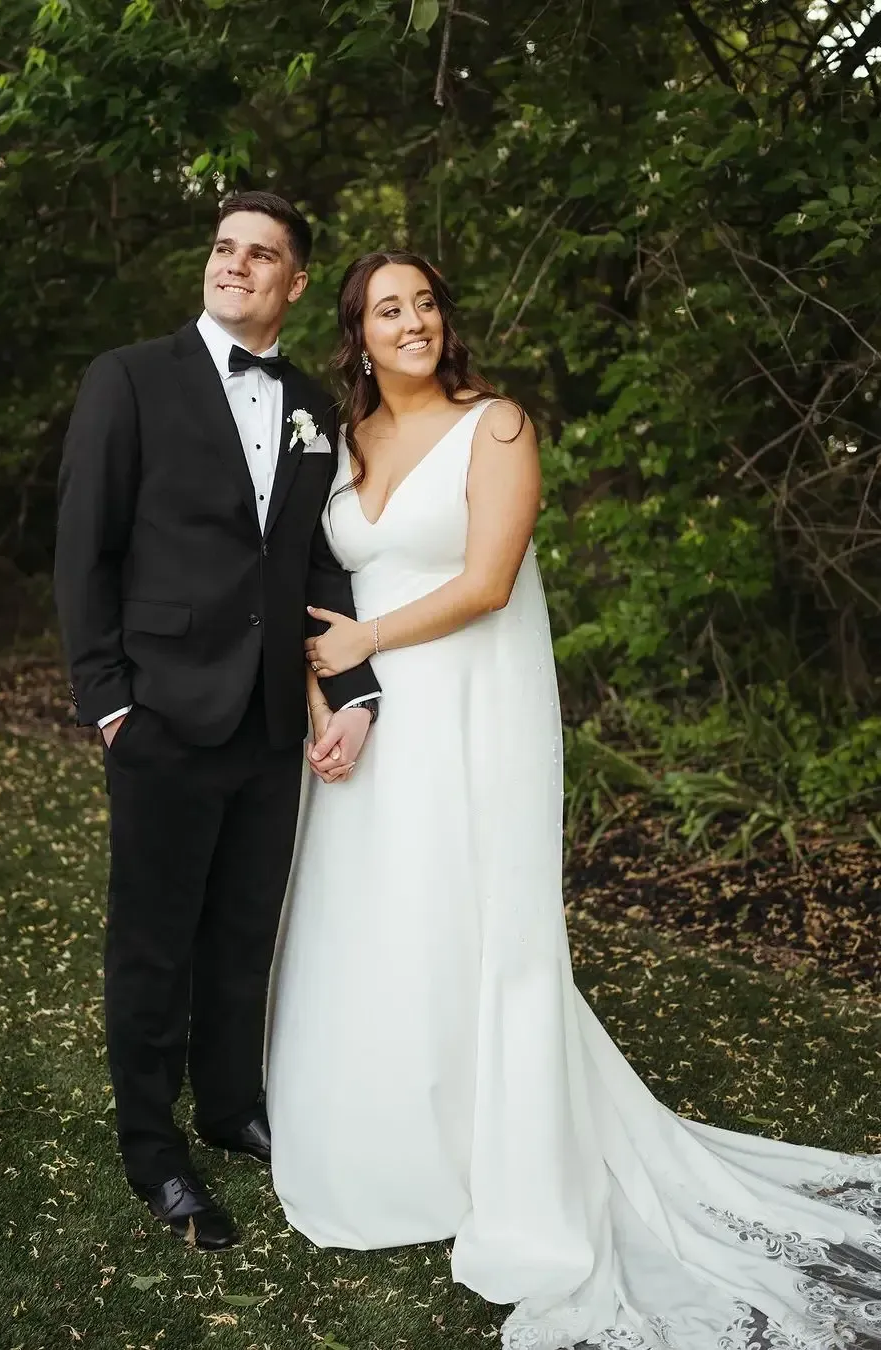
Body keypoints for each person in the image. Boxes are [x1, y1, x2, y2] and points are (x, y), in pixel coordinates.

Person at [266, 250, 881, 1348]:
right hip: (368, 724)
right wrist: (330, 696)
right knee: (377, 925)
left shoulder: (496, 425)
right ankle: (392, 1150)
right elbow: (322, 592)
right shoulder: (343, 440)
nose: (413, 321)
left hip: (469, 710)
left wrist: (369, 641)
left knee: (472, 926)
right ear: (356, 333)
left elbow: (489, 581)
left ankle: (495, 1156)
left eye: (427, 304)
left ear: (446, 321)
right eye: (387, 309)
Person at [53, 192, 380, 1251]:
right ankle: (154, 1150)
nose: (235, 265)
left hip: (271, 718)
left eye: (261, 255)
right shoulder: (130, 379)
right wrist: (109, 701)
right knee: (152, 945)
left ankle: (231, 1106)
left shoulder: (315, 407)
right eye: (224, 248)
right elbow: (83, 551)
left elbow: (318, 556)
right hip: (159, 711)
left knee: (244, 934)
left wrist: (356, 687)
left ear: (292, 284)